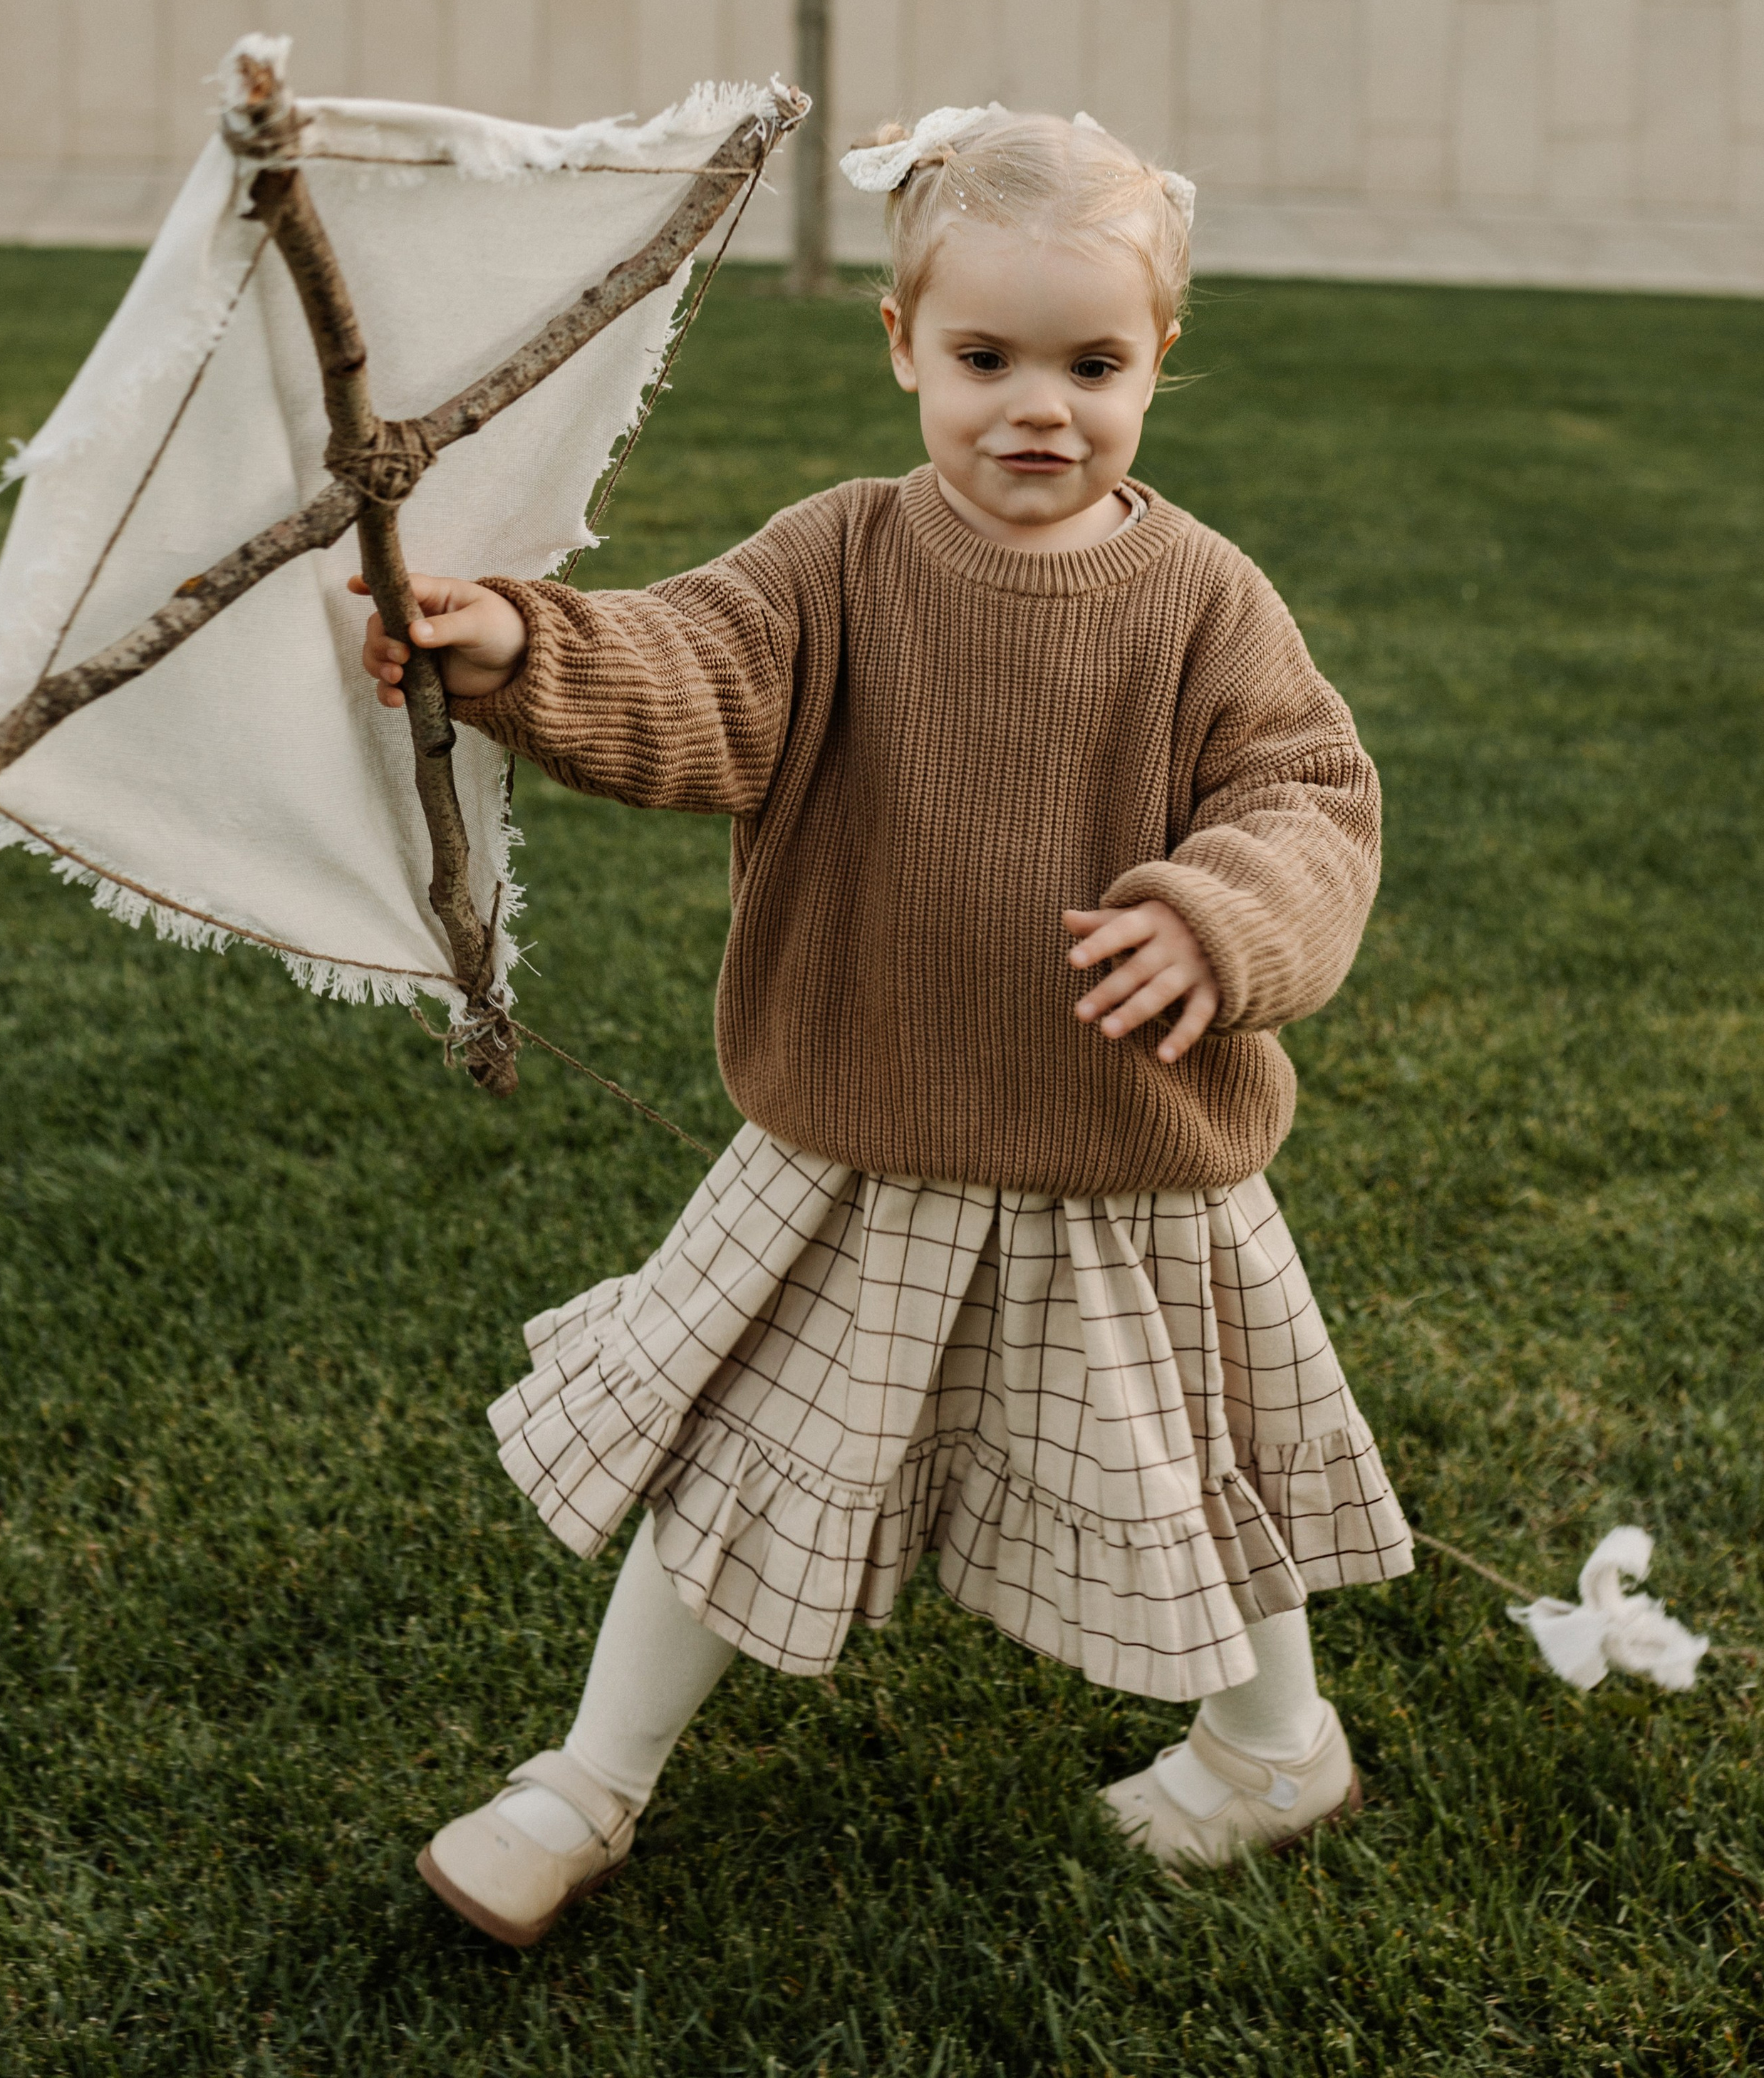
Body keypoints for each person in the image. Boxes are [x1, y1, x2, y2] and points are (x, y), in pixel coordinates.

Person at [353, 105, 1413, 1950]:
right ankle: (590, 1782)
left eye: (1092, 364)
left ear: (1158, 358)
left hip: (1121, 1165)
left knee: (1192, 1480)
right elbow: (695, 674)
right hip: (856, 1146)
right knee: (732, 1464)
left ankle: (1276, 1747)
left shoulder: (1201, 601)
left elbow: (1308, 801)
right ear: (903, 345)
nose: (1037, 408)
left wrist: (1216, 920)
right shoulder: (839, 562)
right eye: (986, 357)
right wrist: (525, 650)